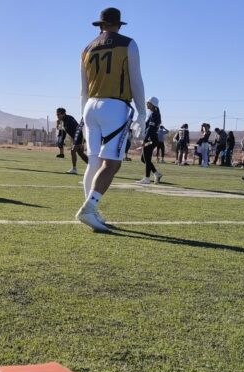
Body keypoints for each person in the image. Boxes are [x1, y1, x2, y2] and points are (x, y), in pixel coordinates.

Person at [75, 7, 146, 232]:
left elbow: (83, 89)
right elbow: (136, 81)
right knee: (112, 163)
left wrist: (83, 115)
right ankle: (89, 208)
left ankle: (91, 209)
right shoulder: (128, 44)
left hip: (90, 106)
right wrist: (142, 113)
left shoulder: (86, 48)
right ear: (119, 24)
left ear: (101, 25)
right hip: (115, 106)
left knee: (94, 161)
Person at [137, 97, 163, 184]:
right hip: (152, 139)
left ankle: (147, 178)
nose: (146, 104)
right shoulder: (153, 113)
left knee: (146, 159)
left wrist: (145, 140)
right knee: (144, 159)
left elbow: (150, 129)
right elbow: (146, 125)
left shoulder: (154, 114)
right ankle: (156, 173)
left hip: (151, 139)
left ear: (152, 104)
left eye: (148, 103)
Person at [57, 108, 88, 174]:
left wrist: (77, 140)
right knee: (81, 153)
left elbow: (77, 129)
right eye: (57, 114)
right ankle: (92, 166)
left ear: (63, 114)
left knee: (73, 150)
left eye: (59, 114)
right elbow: (61, 131)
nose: (58, 116)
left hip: (79, 137)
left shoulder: (69, 119)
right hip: (76, 138)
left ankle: (74, 169)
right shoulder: (63, 121)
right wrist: (58, 124)